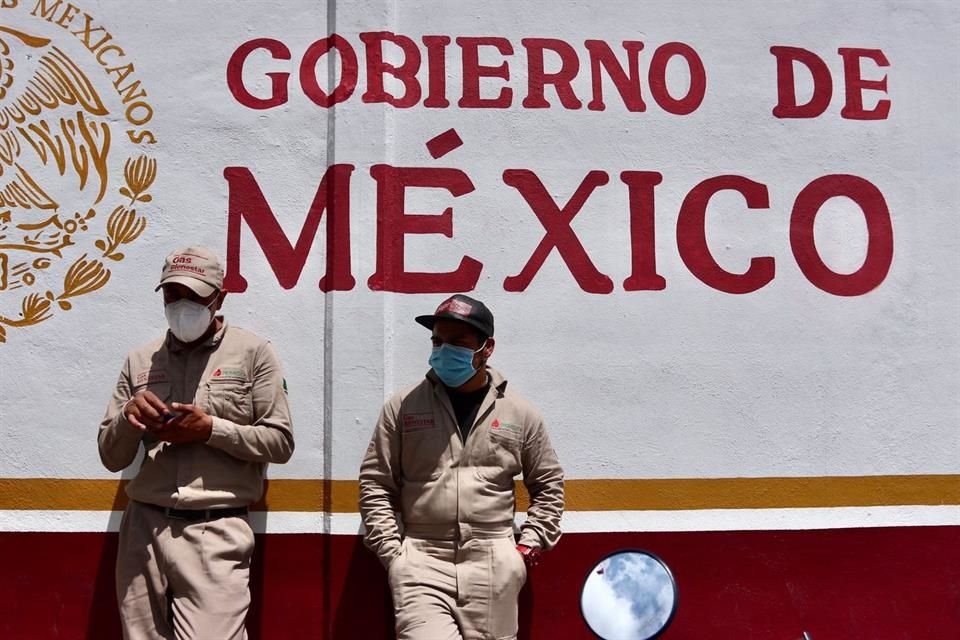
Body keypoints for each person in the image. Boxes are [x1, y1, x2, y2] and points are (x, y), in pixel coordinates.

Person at [97, 246, 294, 640]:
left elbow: (280, 442)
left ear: (218, 297)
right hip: (144, 528)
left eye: (194, 295)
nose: (182, 304)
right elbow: (109, 455)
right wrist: (129, 419)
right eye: (173, 294)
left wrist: (210, 430)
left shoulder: (255, 354)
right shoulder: (140, 360)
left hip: (216, 528)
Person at [359, 294, 565, 640]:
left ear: (487, 348)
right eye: (437, 341)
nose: (443, 350)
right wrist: (394, 554)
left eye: (458, 342)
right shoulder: (403, 407)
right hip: (422, 558)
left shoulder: (519, 413)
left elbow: (548, 484)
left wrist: (526, 547)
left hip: (493, 559)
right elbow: (375, 482)